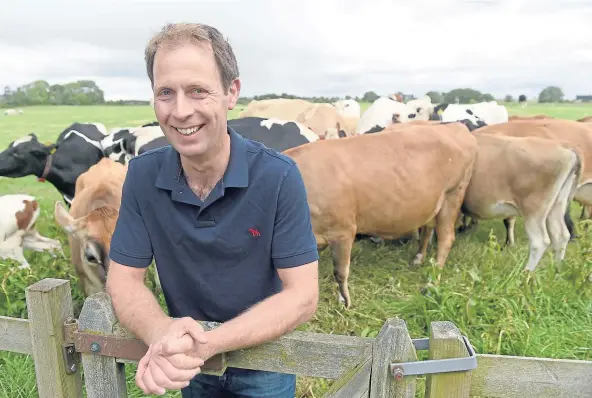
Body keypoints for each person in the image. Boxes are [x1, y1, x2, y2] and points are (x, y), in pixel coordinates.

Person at [105, 22, 320, 397]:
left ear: (231, 92)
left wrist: (212, 341)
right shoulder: (141, 175)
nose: (181, 111)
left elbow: (302, 295)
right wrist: (160, 332)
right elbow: (124, 279)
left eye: (198, 91)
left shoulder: (278, 176)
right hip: (188, 359)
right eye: (166, 93)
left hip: (263, 356)